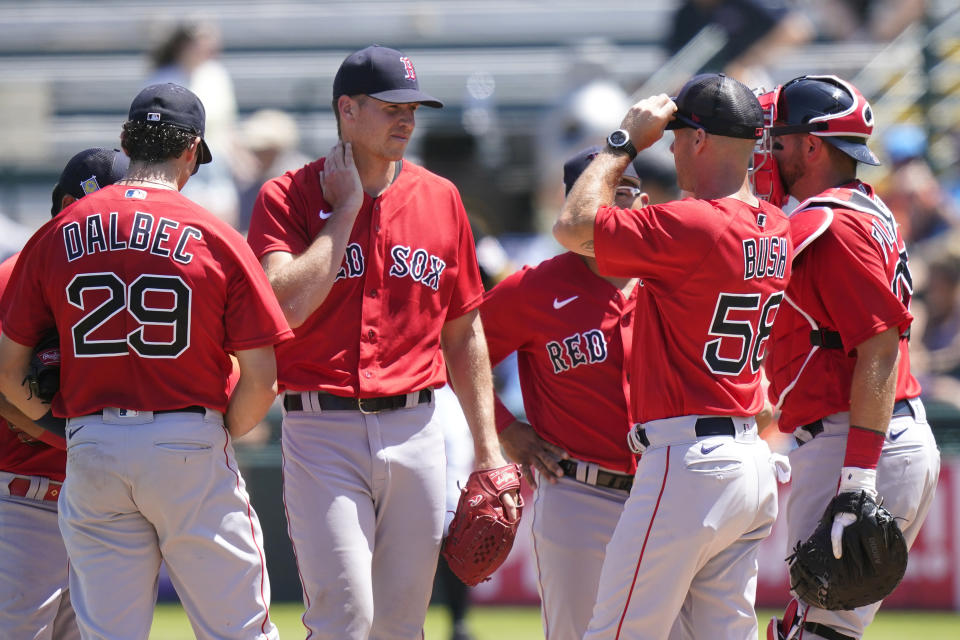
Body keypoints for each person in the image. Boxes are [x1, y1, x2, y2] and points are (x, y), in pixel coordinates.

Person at [246, 44, 519, 639]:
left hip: (417, 427)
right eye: (392, 106)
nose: (407, 118)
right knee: (345, 618)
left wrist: (489, 448)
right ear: (347, 108)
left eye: (413, 107)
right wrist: (343, 212)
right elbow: (282, 305)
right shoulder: (287, 196)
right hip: (322, 429)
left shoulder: (440, 197)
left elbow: (464, 329)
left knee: (400, 624)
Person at [0, 83, 291, 640]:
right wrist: (213, 432)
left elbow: (10, 374)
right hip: (186, 436)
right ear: (191, 151)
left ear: (126, 142)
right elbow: (262, 378)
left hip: (90, 445)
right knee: (239, 631)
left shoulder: (59, 231)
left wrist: (65, 427)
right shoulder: (215, 233)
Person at [553, 73, 792, 640]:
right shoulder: (777, 226)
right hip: (749, 462)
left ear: (700, 140)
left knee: (614, 633)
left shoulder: (691, 223)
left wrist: (624, 142)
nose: (671, 145)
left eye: (678, 134)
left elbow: (571, 226)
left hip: (689, 461)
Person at [759, 74, 941, 640]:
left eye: (778, 139)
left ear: (812, 146)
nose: (767, 151)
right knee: (815, 627)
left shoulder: (830, 224)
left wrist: (858, 478)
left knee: (818, 632)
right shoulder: (867, 208)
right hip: (871, 436)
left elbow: (879, 347)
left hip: (857, 442)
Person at [479, 146, 644, 640]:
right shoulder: (533, 289)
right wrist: (506, 431)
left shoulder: (670, 282)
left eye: (628, 193)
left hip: (666, 491)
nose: (617, 207)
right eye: (603, 195)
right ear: (573, 205)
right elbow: (454, 354)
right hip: (580, 492)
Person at [0, 147, 128, 640]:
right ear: (70, 201)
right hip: (26, 497)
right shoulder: (20, 272)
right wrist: (71, 436)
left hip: (103, 504)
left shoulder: (122, 278)